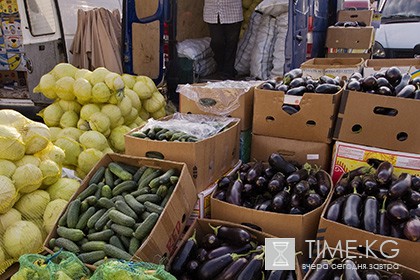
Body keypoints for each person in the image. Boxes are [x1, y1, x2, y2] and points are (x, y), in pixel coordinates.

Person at [203, 0, 243, 79]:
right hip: (212, 11)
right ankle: (221, 67)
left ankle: (228, 72)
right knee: (217, 42)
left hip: (232, 10)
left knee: (231, 43)